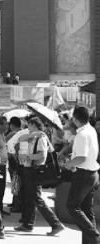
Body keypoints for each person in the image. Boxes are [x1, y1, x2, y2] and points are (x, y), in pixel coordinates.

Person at [14, 117, 64, 235]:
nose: (27, 127)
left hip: (35, 170)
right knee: (30, 198)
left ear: (33, 125)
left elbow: (42, 156)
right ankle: (27, 224)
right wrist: (33, 134)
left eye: (29, 125)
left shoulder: (41, 138)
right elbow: (20, 139)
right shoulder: (35, 136)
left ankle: (56, 224)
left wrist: (26, 156)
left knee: (36, 198)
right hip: (30, 170)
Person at [65, 105, 100, 244]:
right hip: (92, 174)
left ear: (75, 119)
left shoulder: (82, 134)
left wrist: (69, 164)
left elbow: (81, 158)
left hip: (83, 175)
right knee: (86, 211)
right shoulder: (91, 130)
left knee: (72, 207)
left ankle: (95, 237)